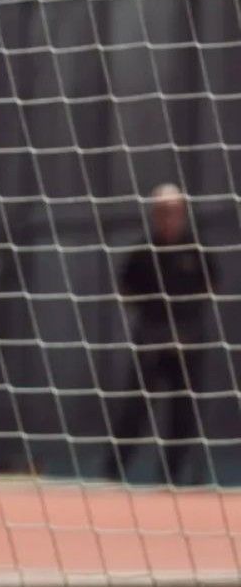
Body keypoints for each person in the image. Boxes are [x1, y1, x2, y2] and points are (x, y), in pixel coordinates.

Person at [108, 184, 221, 485]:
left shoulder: (195, 251)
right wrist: (154, 328)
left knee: (183, 413)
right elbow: (126, 289)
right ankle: (113, 472)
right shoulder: (143, 252)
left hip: (188, 342)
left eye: (172, 211)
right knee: (136, 409)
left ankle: (171, 476)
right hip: (151, 341)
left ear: (182, 213)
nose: (167, 217)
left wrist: (185, 329)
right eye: (161, 212)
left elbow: (210, 286)